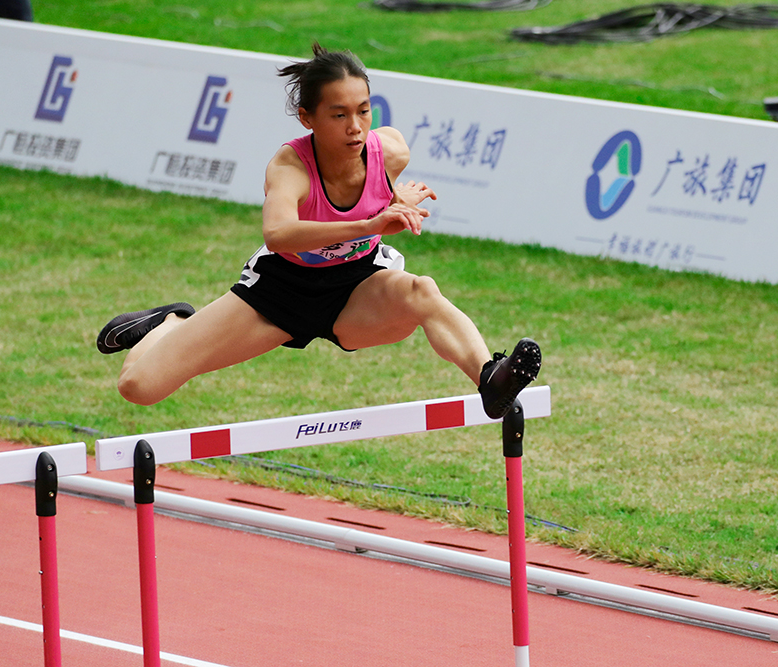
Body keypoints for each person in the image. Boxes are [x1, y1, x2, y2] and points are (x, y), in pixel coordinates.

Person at [96, 43, 541, 420]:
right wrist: (371, 222)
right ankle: (170, 321)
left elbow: (380, 189)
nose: (355, 127)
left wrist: (393, 198)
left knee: (421, 292)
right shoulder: (289, 167)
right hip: (279, 293)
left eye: (364, 111)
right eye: (339, 114)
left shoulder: (388, 152)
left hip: (358, 286)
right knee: (139, 386)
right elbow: (279, 234)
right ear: (308, 118)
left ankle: (489, 378)